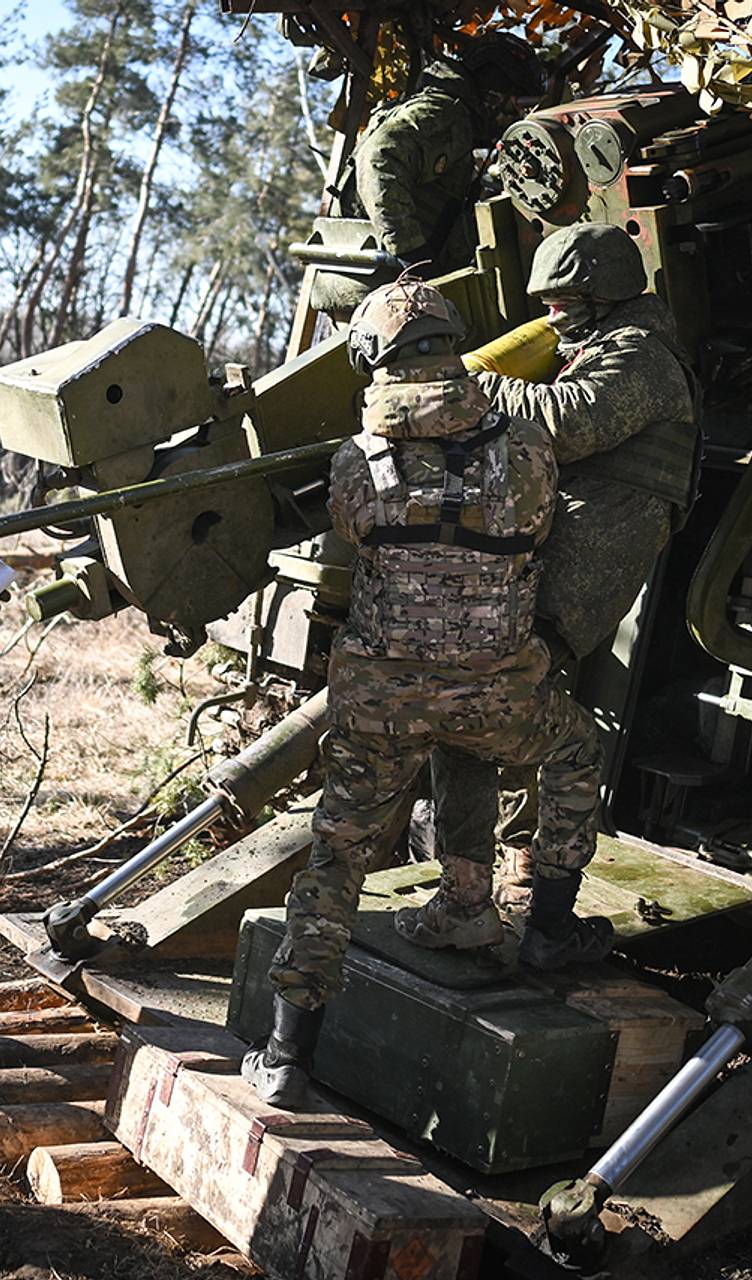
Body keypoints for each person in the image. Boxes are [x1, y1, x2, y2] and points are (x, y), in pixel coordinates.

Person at [240, 278, 608, 1107]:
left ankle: (286, 1056)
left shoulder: (354, 461)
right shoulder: (528, 446)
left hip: (382, 708)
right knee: (578, 751)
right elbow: (542, 529)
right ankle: (549, 925)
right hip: (497, 697)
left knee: (337, 855)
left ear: (374, 360)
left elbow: (352, 536)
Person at [422, 222, 700, 934]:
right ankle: (496, 899)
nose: (551, 318)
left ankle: (526, 908)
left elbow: (565, 424)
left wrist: (470, 382)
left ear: (605, 296)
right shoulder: (600, 346)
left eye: (564, 301)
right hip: (551, 556)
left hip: (581, 567)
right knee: (488, 724)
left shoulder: (640, 355)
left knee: (523, 726)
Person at [311, 31, 546, 322]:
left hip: (369, 290)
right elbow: (379, 159)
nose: (514, 116)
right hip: (385, 294)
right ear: (494, 95)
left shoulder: (444, 113)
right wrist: (412, 256)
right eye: (515, 105)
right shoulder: (446, 114)